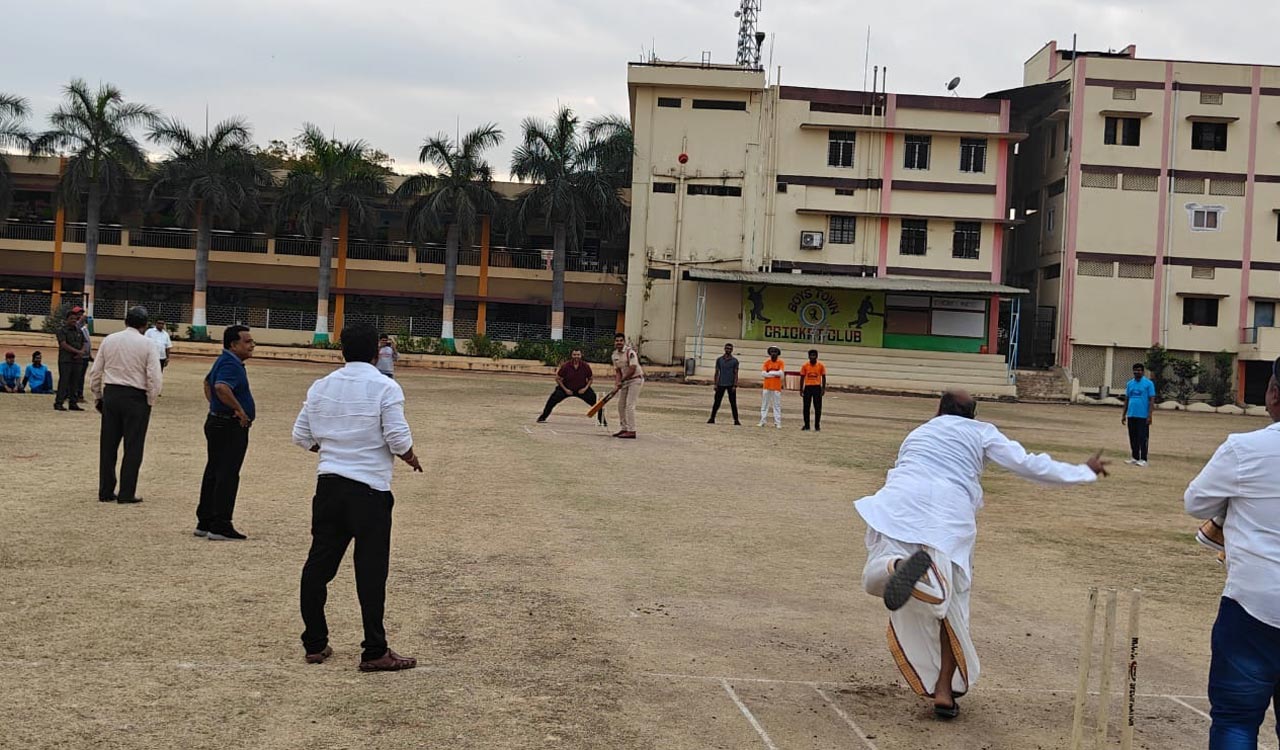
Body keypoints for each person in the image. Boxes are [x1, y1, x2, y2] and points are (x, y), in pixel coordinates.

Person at [855, 390, 1107, 720]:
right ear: (973, 415)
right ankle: (944, 690)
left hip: (898, 504)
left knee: (873, 577)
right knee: (952, 608)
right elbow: (1028, 465)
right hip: (949, 519)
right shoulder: (982, 431)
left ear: (938, 410)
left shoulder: (919, 432)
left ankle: (898, 566)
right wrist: (1083, 471)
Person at [292, 323, 422, 672]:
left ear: (343, 352)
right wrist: (410, 457)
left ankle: (315, 643)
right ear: (376, 353)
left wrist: (334, 449)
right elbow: (396, 437)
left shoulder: (322, 386)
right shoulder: (385, 386)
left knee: (318, 567)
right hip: (370, 491)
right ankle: (374, 649)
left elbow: (301, 434)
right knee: (370, 572)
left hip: (330, 485)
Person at [1184, 356, 1280, 749]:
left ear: (1273, 395)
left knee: (1236, 724)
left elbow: (1195, 503)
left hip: (1252, 606)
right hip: (1252, 604)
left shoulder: (1244, 448)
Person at [89, 306, 163, 504]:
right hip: (136, 397)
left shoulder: (109, 339)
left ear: (125, 321)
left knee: (108, 446)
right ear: (145, 324)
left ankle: (105, 490)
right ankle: (126, 492)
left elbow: (96, 372)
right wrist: (150, 400)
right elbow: (154, 376)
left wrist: (98, 396)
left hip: (112, 393)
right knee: (133, 446)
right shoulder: (148, 344)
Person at [196, 325, 256, 541]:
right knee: (227, 474)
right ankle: (221, 523)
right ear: (233, 344)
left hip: (218, 422)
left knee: (214, 471)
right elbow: (221, 387)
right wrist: (238, 410)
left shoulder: (224, 360)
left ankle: (205, 520)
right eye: (247, 342)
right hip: (229, 426)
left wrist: (215, 407)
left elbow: (207, 382)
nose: (252, 345)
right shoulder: (230, 364)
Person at [537, 348, 606, 426]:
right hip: (566, 388)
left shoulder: (585, 366)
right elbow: (558, 378)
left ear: (581, 355)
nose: (576, 356)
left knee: (597, 403)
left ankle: (602, 421)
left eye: (578, 355)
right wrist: (565, 389)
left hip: (581, 389)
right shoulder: (566, 365)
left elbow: (590, 379)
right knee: (552, 400)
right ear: (571, 355)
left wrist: (585, 389)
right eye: (574, 355)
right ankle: (542, 418)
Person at [1122, 362, 1156, 466]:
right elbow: (1127, 399)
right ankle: (1135, 457)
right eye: (1135, 370)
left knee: (1142, 437)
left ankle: (1143, 459)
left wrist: (1149, 415)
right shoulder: (1130, 384)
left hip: (1142, 415)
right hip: (1131, 414)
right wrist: (1124, 414)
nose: (1137, 372)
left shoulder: (1148, 384)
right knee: (1133, 437)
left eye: (1139, 370)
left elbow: (1151, 399)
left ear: (1143, 371)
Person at [611, 333, 644, 439]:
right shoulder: (614, 355)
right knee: (621, 405)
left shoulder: (630, 352)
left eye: (621, 340)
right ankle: (624, 428)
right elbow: (618, 372)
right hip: (625, 381)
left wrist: (622, 380)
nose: (619, 342)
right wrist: (617, 384)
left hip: (635, 380)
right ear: (614, 342)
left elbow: (632, 368)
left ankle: (632, 430)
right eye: (617, 341)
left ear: (624, 342)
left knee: (630, 405)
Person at [54, 306, 87, 411]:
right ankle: (59, 403)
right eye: (71, 318)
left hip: (78, 360)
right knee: (64, 382)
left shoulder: (79, 330)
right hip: (66, 360)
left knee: (75, 382)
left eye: (75, 318)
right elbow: (63, 344)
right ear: (66, 319)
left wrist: (81, 352)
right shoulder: (62, 330)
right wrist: (78, 352)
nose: (74, 320)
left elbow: (85, 342)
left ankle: (73, 403)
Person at [707, 343, 741, 425]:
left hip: (730, 384)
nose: (728, 350)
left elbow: (736, 373)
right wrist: (715, 383)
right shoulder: (719, 360)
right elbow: (717, 372)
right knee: (717, 402)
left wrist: (735, 385)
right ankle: (712, 418)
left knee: (733, 403)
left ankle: (736, 420)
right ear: (724, 349)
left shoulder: (734, 361)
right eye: (727, 348)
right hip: (721, 383)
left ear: (732, 350)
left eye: (730, 349)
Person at [800, 349, 827, 431]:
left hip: (817, 387)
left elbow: (824, 377)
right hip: (808, 388)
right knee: (806, 407)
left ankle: (817, 426)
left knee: (818, 408)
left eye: (814, 355)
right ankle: (807, 425)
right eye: (811, 355)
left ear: (817, 356)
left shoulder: (820, 366)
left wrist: (823, 388)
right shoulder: (805, 366)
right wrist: (801, 389)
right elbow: (802, 377)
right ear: (808, 356)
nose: (812, 357)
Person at [759, 346, 785, 428]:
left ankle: (777, 422)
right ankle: (762, 421)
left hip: (776, 387)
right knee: (764, 405)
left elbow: (781, 373)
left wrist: (769, 373)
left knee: (776, 405)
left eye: (775, 351)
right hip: (766, 386)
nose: (773, 353)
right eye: (772, 351)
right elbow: (763, 374)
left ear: (778, 353)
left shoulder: (780, 362)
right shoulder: (767, 362)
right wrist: (775, 373)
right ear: (769, 353)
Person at [75, 311, 92, 403]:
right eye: (81, 315)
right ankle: (76, 395)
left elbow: (87, 342)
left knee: (81, 377)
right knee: (78, 377)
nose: (83, 317)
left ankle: (79, 395)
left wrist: (90, 355)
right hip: (80, 356)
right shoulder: (77, 327)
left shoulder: (85, 328)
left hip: (85, 356)